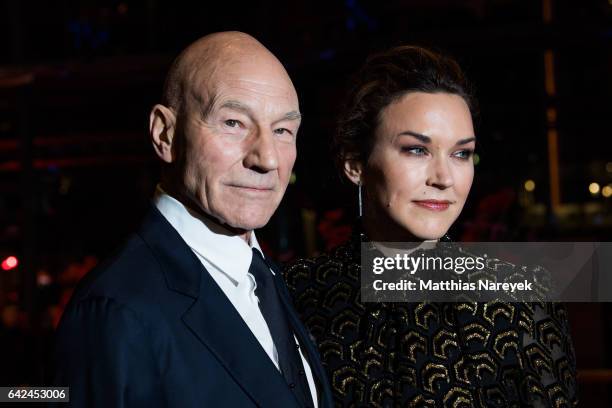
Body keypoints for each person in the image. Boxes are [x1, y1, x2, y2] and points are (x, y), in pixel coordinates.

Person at [284, 46, 578, 407]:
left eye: (461, 153)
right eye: (416, 150)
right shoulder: (294, 293)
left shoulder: (519, 300)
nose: (443, 178)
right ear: (355, 163)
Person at [53, 31, 333, 408]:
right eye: (233, 123)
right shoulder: (119, 309)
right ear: (165, 134)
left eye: (283, 130)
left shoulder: (267, 279)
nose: (267, 158)